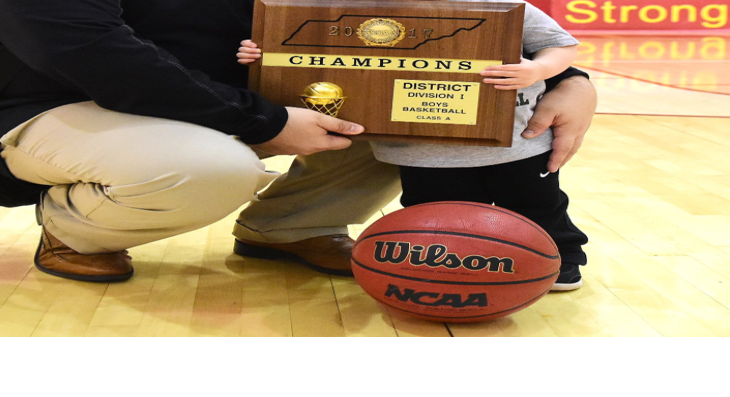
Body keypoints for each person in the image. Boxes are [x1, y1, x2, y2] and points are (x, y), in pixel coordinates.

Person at [0, 0, 597, 284]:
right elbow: (87, 52)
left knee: (409, 109)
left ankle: (289, 228)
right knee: (209, 168)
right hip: (51, 107)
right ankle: (77, 230)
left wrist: (567, 75)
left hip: (217, 104)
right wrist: (264, 122)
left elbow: (409, 14)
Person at [240, 1, 590, 291]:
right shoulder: (353, 11)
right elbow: (305, 50)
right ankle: (448, 268)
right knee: (434, 216)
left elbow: (560, 45)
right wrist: (265, 53)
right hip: (419, 148)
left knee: (538, 205)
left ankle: (561, 259)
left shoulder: (502, 6)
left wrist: (539, 69)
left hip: (517, 143)